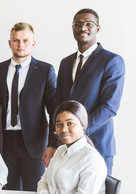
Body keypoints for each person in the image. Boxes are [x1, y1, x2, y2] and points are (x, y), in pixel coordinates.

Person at [48, 8, 125, 175]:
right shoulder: (65, 63)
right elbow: (58, 106)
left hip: (97, 145)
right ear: (73, 28)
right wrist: (53, 143)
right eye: (78, 24)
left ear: (98, 28)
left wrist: (77, 132)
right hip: (66, 148)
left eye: (89, 24)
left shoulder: (112, 61)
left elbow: (109, 107)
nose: (83, 28)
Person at [0, 22, 57, 191]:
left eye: (25, 40)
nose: (20, 45)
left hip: (34, 143)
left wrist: (52, 145)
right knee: (7, 192)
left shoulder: (45, 70)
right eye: (16, 40)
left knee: (34, 192)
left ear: (33, 43)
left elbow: (54, 111)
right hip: (4, 142)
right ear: (10, 43)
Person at [17, 100, 107, 194]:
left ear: (83, 125)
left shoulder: (92, 159)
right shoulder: (60, 151)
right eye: (59, 125)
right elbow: (43, 181)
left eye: (70, 123)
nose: (64, 129)